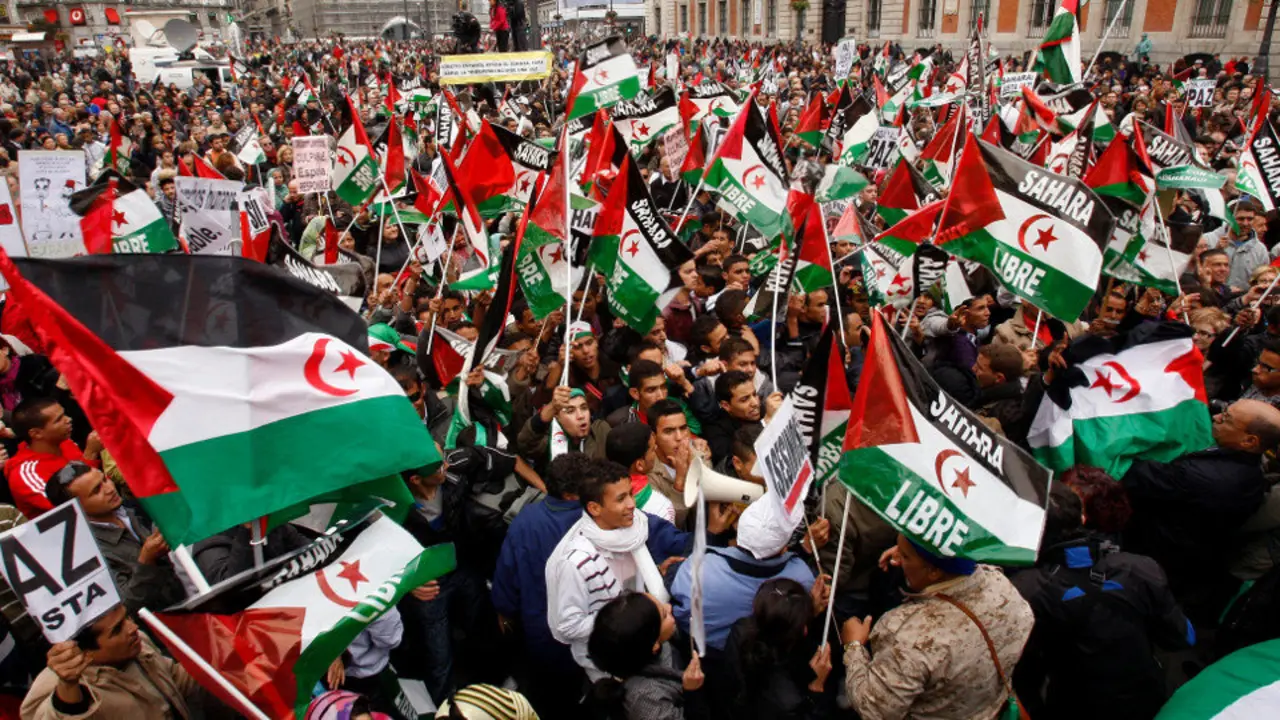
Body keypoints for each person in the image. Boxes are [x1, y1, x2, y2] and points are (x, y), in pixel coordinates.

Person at [1011, 482, 1193, 720]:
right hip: (1146, 698)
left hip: (1072, 705)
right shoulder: (1140, 568)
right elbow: (1184, 637)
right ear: (1083, 518)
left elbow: (1021, 674)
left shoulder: (1023, 590)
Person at [545, 460, 730, 679]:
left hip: (652, 646)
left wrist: (658, 573)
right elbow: (568, 626)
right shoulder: (576, 562)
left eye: (630, 494)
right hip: (610, 667)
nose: (632, 504)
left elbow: (632, 582)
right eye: (621, 499)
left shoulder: (635, 526)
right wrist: (634, 616)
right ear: (595, 508)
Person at [840, 534, 1034, 719]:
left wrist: (854, 647)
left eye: (905, 556)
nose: (897, 559)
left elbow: (875, 710)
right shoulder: (1003, 587)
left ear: (934, 571)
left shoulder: (909, 635)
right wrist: (914, 556)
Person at [1120, 398, 1280, 617]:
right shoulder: (1251, 472)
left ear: (1249, 441)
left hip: (1159, 549)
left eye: (1226, 419)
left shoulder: (1202, 477)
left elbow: (1136, 476)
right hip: (1192, 556)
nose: (1216, 417)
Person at [45, 462, 187, 614]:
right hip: (168, 620)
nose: (109, 489)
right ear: (76, 509)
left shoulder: (139, 507)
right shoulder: (87, 554)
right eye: (96, 491)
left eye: (104, 480)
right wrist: (146, 561)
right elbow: (125, 607)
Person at [22, 604, 207, 719]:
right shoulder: (57, 686)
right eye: (117, 629)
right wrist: (68, 688)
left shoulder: (137, 642)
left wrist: (218, 655)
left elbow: (174, 680)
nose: (133, 628)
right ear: (84, 652)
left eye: (126, 617)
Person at [723, 579, 835, 720]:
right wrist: (816, 687)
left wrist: (805, 611)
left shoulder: (740, 631)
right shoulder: (788, 701)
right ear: (804, 630)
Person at [586, 592, 706, 720]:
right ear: (654, 645)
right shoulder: (645, 700)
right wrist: (692, 692)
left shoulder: (650, 640)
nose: (669, 607)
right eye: (664, 615)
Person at [6, 398, 102, 519]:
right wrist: (91, 454)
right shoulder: (26, 475)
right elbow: (76, 507)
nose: (68, 420)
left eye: (64, 414)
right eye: (59, 420)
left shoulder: (64, 442)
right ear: (36, 433)